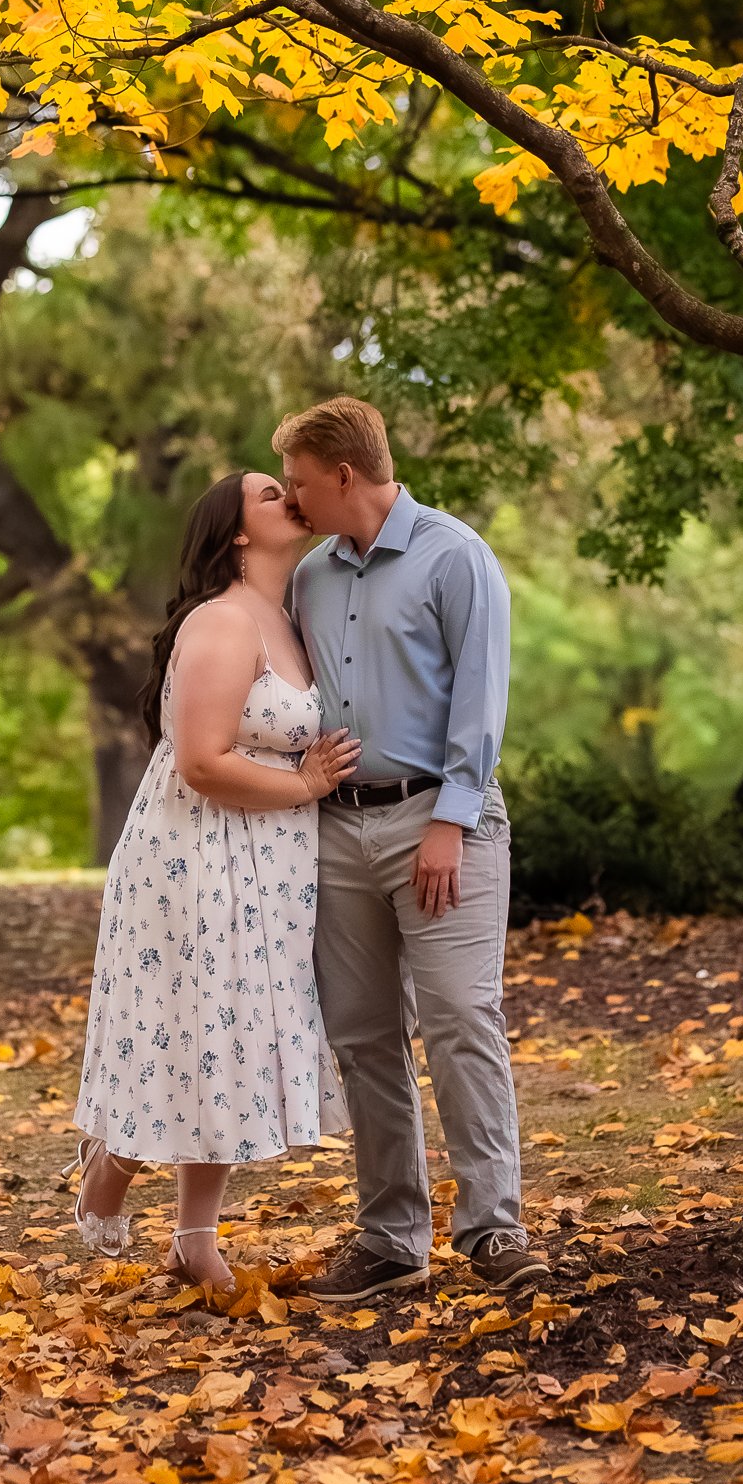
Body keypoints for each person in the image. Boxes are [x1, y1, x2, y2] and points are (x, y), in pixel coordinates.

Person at [274, 396, 550, 1299]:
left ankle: (494, 1228)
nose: (293, 499)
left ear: (344, 475)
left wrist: (450, 820)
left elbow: (482, 696)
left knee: (462, 1020)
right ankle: (391, 1238)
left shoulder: (455, 556)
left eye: (302, 483)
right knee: (363, 1039)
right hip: (336, 830)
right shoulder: (311, 576)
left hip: (440, 822)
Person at [70, 469, 358, 1290]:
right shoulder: (224, 622)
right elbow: (201, 761)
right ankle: (108, 1171)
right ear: (235, 533)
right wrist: (306, 785)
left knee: (231, 1043)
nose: (291, 496)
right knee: (187, 1029)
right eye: (271, 494)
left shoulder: (293, 610)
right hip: (196, 858)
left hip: (271, 861)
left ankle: (195, 1238)